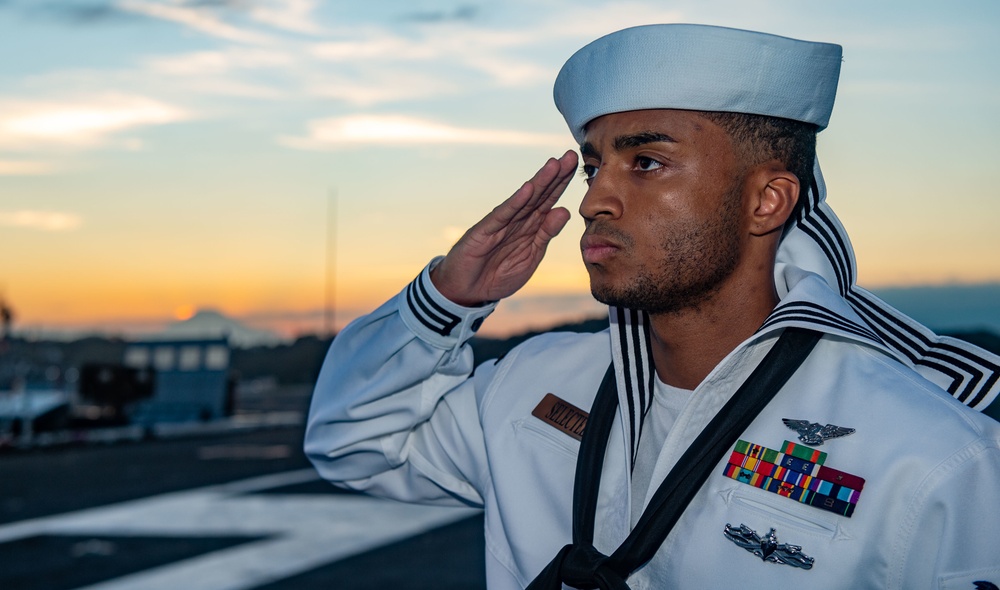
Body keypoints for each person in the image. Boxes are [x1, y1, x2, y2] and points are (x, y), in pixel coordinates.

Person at [305, 24, 1000, 589]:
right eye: (592, 166)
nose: (594, 200)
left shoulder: (931, 455)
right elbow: (355, 447)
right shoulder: (532, 385)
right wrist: (443, 302)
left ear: (767, 201)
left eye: (645, 163)